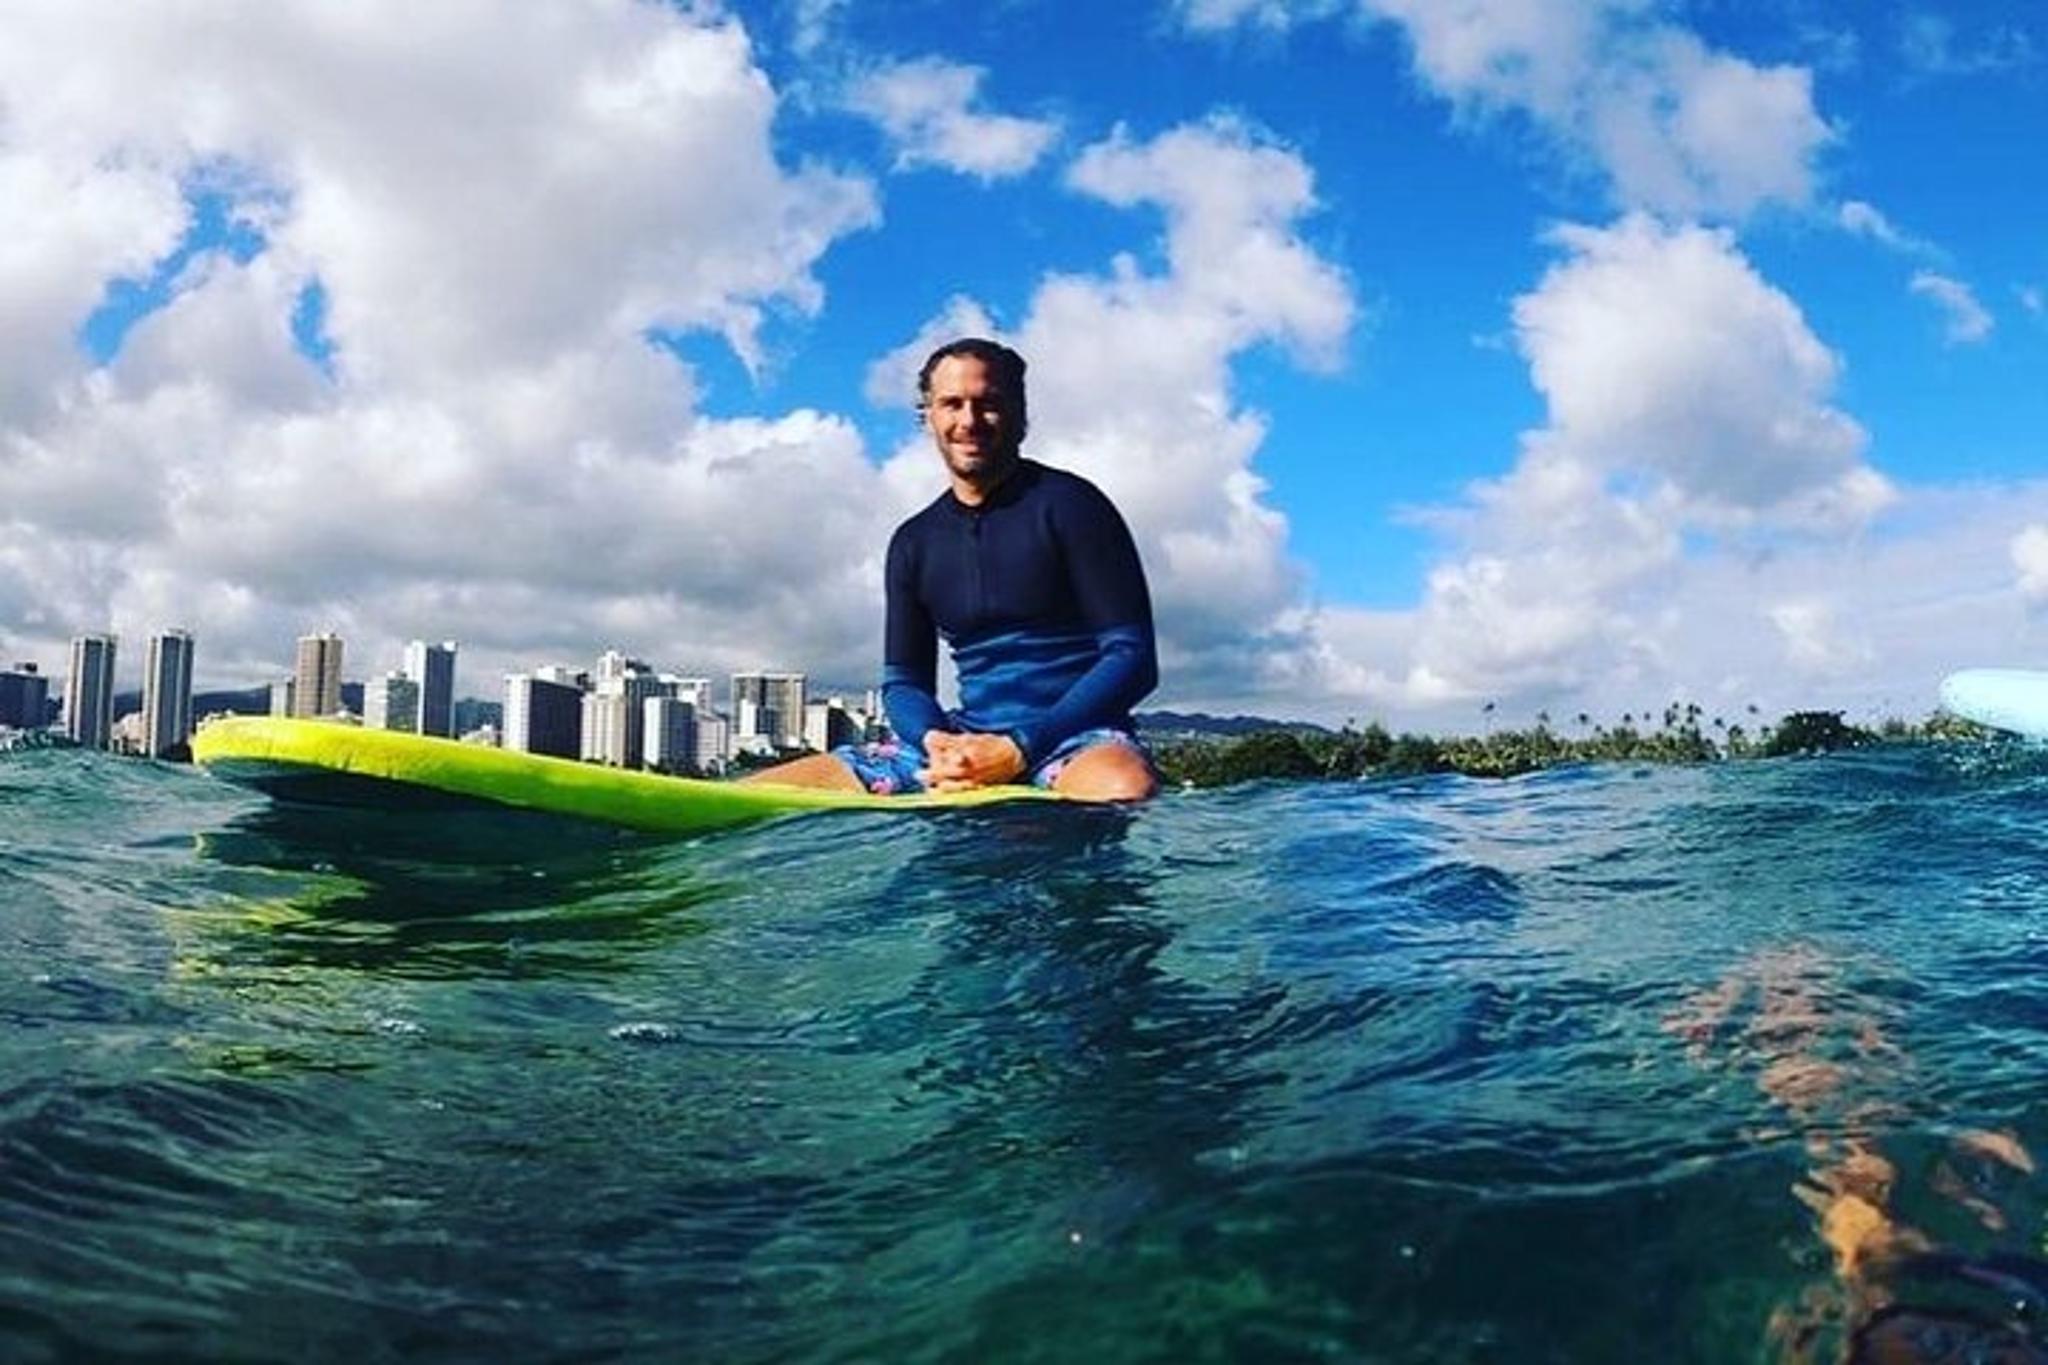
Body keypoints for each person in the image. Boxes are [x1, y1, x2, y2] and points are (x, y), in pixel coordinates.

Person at [747, 337, 1159, 802]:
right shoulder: (914, 542)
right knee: (757, 793)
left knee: (1122, 787)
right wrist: (937, 743)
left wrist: (1020, 747)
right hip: (961, 746)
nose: (969, 420)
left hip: (1073, 739)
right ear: (928, 417)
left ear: (1020, 416)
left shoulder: (1073, 505)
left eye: (988, 404)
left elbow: (1132, 657)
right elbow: (904, 683)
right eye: (952, 404)